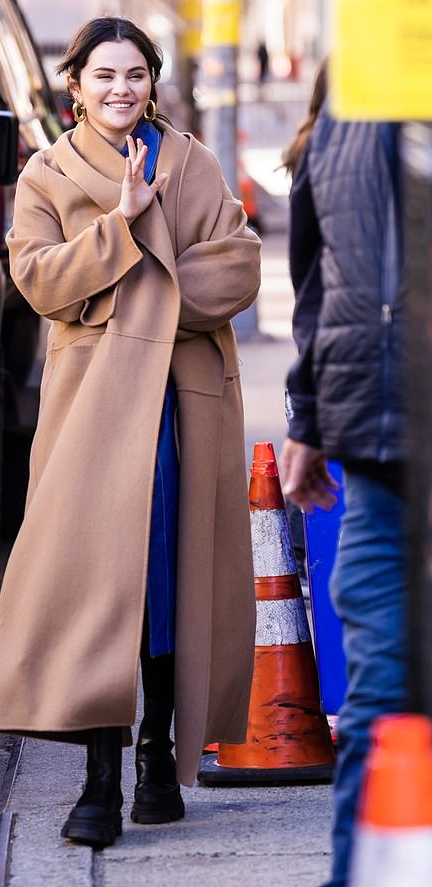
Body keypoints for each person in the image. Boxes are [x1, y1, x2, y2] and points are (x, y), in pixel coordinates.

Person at [0, 16, 261, 848]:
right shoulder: (47, 173)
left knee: (172, 585)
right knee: (99, 588)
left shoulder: (194, 163)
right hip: (93, 413)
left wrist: (121, 288)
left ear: (153, 80)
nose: (121, 91)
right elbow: (38, 281)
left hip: (182, 407)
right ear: (74, 86)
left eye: (135, 75)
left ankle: (154, 757)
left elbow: (236, 267)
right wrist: (124, 224)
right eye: (104, 76)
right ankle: (98, 777)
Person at [279, 66, 408, 887]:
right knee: (381, 706)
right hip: (379, 443)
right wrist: (308, 418)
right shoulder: (349, 117)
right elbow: (321, 287)